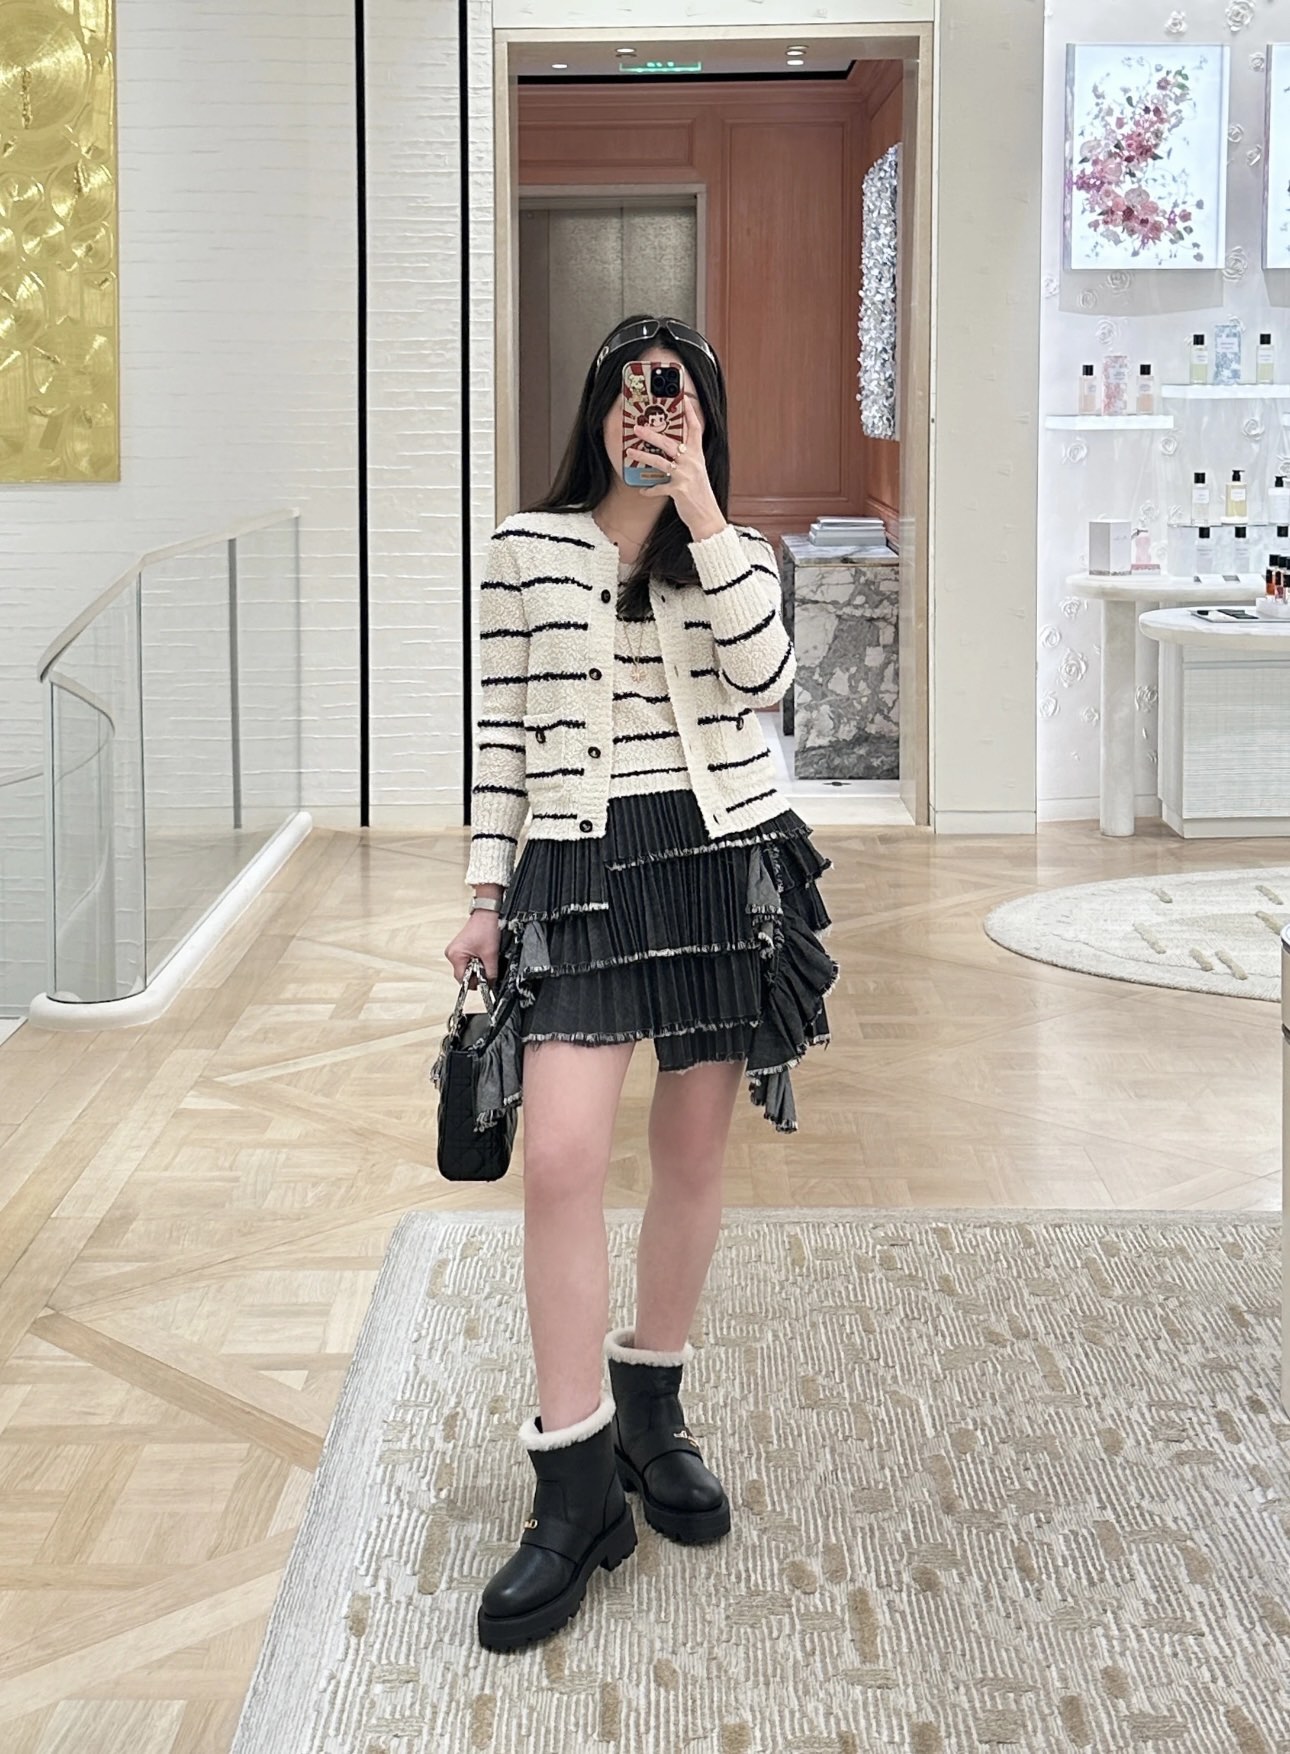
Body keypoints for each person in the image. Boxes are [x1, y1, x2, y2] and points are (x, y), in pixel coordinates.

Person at [443, 314, 839, 1654]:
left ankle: (652, 1405)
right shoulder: (525, 548)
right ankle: (572, 1480)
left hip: (719, 862)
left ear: (704, 420)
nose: (645, 412)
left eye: (673, 397)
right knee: (559, 1157)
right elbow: (500, 737)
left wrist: (701, 503)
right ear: (594, 409)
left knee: (690, 1153)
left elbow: (767, 682)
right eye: (628, 392)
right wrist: (485, 895)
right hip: (577, 864)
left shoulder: (738, 553)